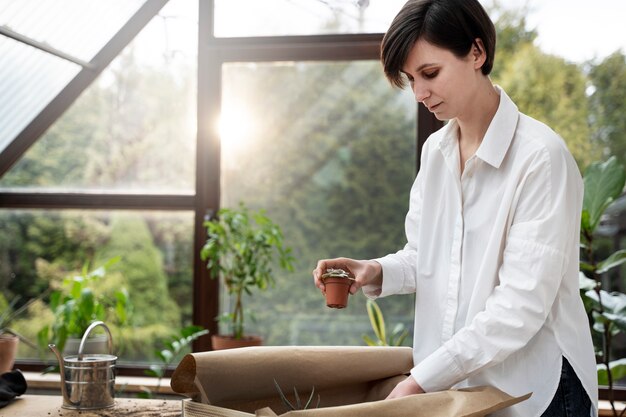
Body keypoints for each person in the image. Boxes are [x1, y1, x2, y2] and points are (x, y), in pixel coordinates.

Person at [312, 1, 598, 416]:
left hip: (536, 390)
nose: (419, 93)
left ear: (477, 53)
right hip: (460, 388)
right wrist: (374, 270)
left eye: (430, 73)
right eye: (411, 79)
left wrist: (421, 380)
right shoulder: (436, 153)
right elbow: (428, 257)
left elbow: (520, 305)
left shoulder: (541, 157)